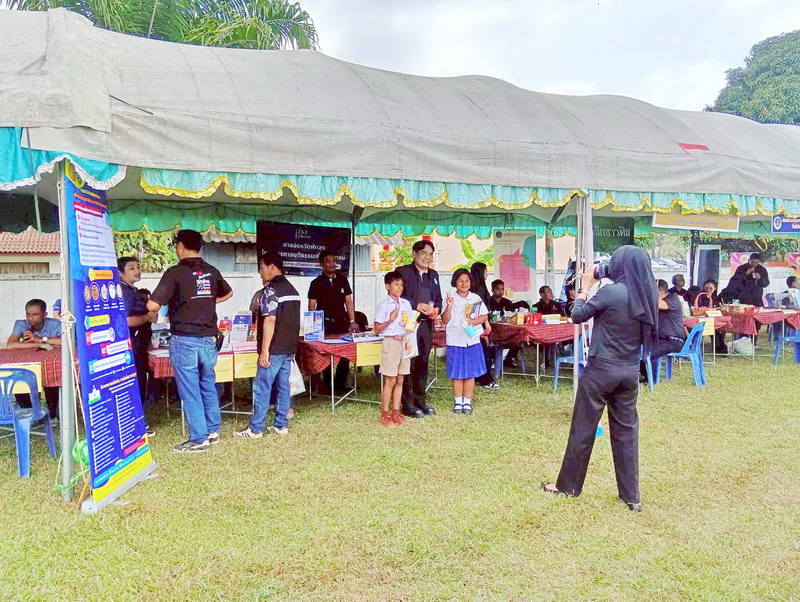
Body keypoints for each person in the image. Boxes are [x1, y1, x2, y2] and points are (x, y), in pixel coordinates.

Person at [542, 246, 658, 512]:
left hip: (601, 369)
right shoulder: (648, 293)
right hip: (630, 370)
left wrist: (585, 288)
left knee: (583, 427)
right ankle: (631, 496)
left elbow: (577, 315)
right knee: (627, 432)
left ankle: (567, 486)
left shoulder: (612, 292)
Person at [147, 230, 233, 453]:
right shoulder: (211, 270)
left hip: (185, 339)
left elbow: (153, 306)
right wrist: (205, 301)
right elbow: (228, 293)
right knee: (207, 385)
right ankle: (212, 431)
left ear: (181, 246)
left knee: (190, 390)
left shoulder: (175, 272)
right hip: (209, 339)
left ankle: (199, 438)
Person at [236, 252, 301, 439]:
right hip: (289, 348)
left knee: (262, 387)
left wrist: (264, 350)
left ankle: (256, 429)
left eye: (262, 267)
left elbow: (270, 320)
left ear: (272, 267)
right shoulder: (293, 290)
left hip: (273, 349)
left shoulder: (271, 291)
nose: (260, 272)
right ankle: (281, 425)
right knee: (283, 387)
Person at [397, 240, 442, 418]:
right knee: (409, 364)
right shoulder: (403, 272)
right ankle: (407, 404)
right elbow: (396, 296)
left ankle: (420, 401)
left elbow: (438, 299)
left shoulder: (434, 275)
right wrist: (416, 305)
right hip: (409, 326)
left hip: (426, 326)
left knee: (423, 363)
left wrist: (436, 310)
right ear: (414, 253)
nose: (427, 257)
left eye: (430, 254)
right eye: (424, 253)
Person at [308, 250, 359, 392]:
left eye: (334, 261)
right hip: (324, 324)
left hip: (342, 322)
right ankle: (329, 386)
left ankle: (341, 385)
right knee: (326, 354)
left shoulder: (342, 279)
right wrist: (313, 326)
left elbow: (348, 301)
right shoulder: (316, 283)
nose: (332, 264)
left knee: (345, 355)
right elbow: (312, 306)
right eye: (328, 261)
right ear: (321, 264)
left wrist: (352, 320)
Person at [118, 256, 157, 436]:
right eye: (132, 268)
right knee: (134, 384)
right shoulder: (125, 292)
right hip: (132, 346)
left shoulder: (131, 290)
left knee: (139, 382)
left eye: (138, 267)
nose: (138, 271)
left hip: (139, 346)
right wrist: (147, 317)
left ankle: (136, 422)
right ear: (120, 273)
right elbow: (126, 320)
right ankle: (135, 426)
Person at [442, 268, 488, 414]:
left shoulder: (475, 298)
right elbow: (445, 319)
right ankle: (458, 402)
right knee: (456, 373)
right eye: (460, 281)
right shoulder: (450, 298)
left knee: (470, 373)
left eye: (467, 281)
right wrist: (449, 306)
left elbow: (484, 316)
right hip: (455, 340)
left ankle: (467, 402)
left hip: (471, 340)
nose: (464, 284)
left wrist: (472, 322)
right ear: (455, 282)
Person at [6, 299, 62, 420]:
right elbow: (11, 344)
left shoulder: (55, 324)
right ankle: (29, 413)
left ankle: (52, 414)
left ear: (45, 314)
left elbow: (65, 341)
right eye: (28, 314)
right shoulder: (21, 324)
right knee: (20, 377)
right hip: (28, 362)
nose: (31, 318)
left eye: (35, 314)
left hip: (48, 363)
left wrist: (40, 339)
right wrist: (40, 344)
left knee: (52, 379)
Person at [373, 271, 412, 427]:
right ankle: (385, 413)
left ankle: (396, 412)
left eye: (401, 284)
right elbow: (376, 329)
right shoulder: (384, 306)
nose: (400, 287)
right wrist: (390, 320)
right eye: (396, 284)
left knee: (400, 378)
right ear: (387, 286)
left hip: (404, 341)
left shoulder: (406, 304)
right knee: (390, 379)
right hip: (391, 341)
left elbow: (411, 323)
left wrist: (411, 324)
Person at [642, 280, 686, 378]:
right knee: (642, 350)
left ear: (661, 292)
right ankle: (643, 375)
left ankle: (652, 379)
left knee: (651, 354)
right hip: (662, 339)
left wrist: (652, 291)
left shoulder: (673, 299)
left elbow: (660, 304)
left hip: (674, 340)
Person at [471, 262, 500, 390]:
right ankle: (486, 379)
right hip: (480, 324)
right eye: (485, 271)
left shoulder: (476, 287)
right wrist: (485, 324)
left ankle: (479, 377)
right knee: (484, 352)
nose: (487, 273)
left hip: (476, 323)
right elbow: (482, 309)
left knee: (480, 352)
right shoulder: (479, 289)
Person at [488, 279, 528, 370]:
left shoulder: (507, 302)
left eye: (502, 289)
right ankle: (493, 360)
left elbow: (511, 315)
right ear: (492, 290)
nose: (500, 291)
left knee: (518, 338)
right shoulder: (488, 302)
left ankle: (509, 359)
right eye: (498, 289)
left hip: (507, 329)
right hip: (494, 330)